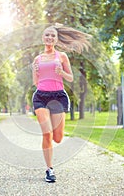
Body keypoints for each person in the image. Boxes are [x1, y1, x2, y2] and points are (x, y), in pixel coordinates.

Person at [32, 23, 91, 182]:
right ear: (43, 38)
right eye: (47, 35)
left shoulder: (62, 56)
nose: (50, 37)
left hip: (58, 96)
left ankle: (52, 151)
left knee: (57, 138)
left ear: (57, 39)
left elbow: (70, 78)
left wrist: (61, 72)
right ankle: (49, 170)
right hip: (41, 97)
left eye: (53, 35)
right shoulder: (37, 59)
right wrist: (36, 70)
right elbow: (35, 82)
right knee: (47, 133)